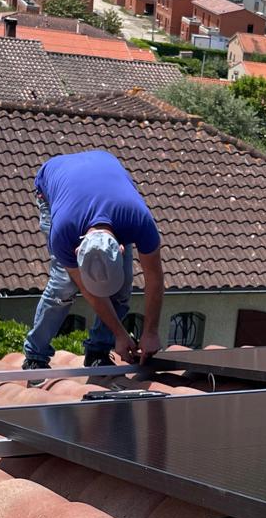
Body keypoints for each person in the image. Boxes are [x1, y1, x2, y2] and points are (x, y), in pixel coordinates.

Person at [22, 150, 164, 371]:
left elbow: (154, 277)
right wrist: (120, 333)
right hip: (55, 181)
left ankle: (98, 350)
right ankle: (35, 356)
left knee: (122, 288)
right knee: (64, 286)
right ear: (77, 250)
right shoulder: (63, 233)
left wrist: (151, 332)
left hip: (102, 169)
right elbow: (88, 291)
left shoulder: (139, 220)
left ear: (121, 247)